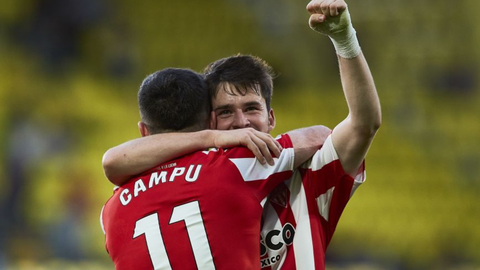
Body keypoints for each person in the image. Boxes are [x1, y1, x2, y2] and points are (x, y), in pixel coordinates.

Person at [102, 0, 381, 269]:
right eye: (225, 112)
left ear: (271, 118)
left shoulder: (310, 178)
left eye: (251, 108)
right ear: (210, 122)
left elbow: (363, 125)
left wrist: (345, 40)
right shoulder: (226, 170)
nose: (241, 123)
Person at [100, 67, 329, 269]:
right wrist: (214, 137)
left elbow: (111, 161)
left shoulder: (111, 210)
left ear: (143, 132)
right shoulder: (233, 164)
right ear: (211, 120)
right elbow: (319, 136)